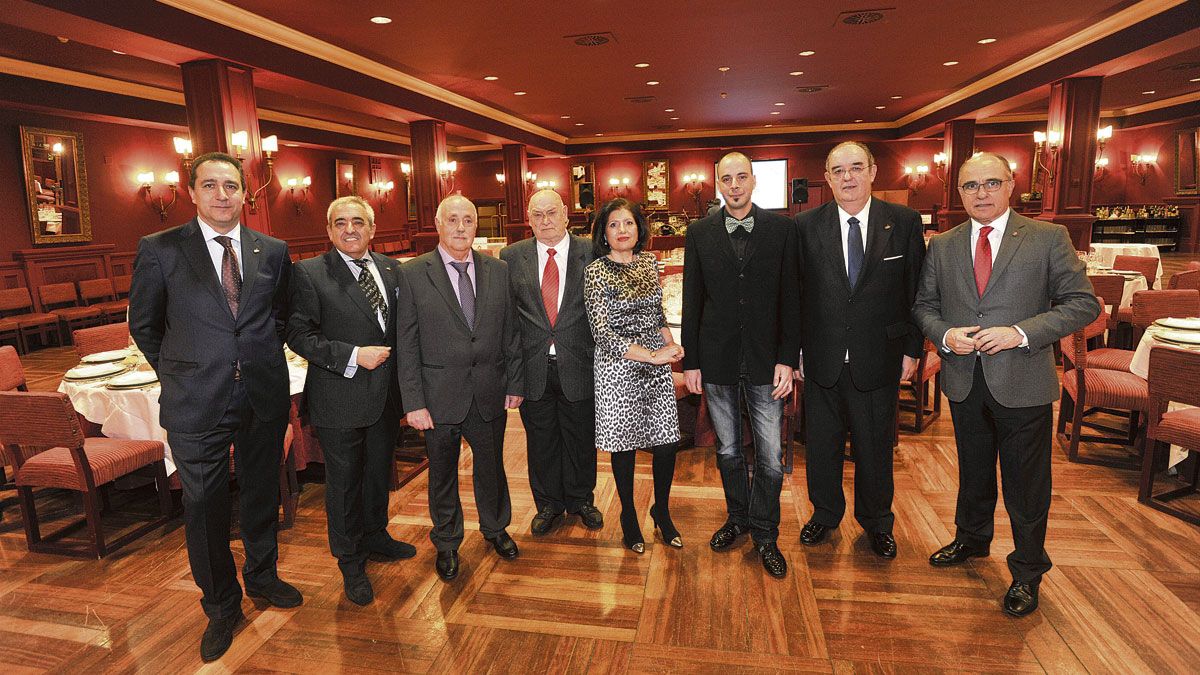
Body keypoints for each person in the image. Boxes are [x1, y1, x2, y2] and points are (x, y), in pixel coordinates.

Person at [128, 151, 300, 661]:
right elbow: (145, 326)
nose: (222, 194)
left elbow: (283, 317)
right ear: (191, 192)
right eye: (210, 185)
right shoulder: (160, 249)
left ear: (246, 192)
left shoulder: (272, 250)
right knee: (203, 507)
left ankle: (263, 576)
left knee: (260, 492)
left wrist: (256, 361)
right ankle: (221, 606)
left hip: (262, 395)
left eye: (231, 184)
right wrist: (185, 371)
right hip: (195, 400)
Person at [913, 152, 1099, 617]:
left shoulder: (1047, 237)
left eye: (991, 183)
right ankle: (972, 540)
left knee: (1026, 482)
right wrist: (943, 334)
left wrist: (1019, 333)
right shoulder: (944, 245)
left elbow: (1083, 305)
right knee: (974, 471)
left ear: (1011, 185)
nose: (981, 193)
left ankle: (1027, 571)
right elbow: (923, 306)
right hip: (963, 378)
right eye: (971, 186)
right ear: (958, 192)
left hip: (1022, 379)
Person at [794, 141, 926, 559]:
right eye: (838, 170)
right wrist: (793, 351)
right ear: (828, 178)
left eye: (856, 168)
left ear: (872, 172)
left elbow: (916, 292)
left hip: (879, 357)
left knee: (874, 449)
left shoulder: (903, 222)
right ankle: (825, 514)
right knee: (821, 446)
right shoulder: (804, 226)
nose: (847, 177)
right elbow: (795, 296)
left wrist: (912, 349)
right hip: (821, 357)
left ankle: (877, 523)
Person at [286, 196, 416, 607]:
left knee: (379, 473)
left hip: (386, 399)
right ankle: (350, 561)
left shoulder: (395, 271)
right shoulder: (308, 273)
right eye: (340, 222)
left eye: (358, 221)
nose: (350, 229)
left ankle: (376, 536)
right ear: (329, 231)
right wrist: (352, 355)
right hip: (339, 397)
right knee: (343, 486)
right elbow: (299, 335)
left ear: (372, 229)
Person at [681, 152, 800, 578]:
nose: (734, 185)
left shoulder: (782, 230)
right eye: (726, 179)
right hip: (716, 360)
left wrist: (789, 358)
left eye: (741, 177)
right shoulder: (699, 233)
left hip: (768, 361)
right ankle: (737, 519)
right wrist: (691, 362)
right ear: (717, 184)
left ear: (754, 182)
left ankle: (766, 534)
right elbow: (693, 300)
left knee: (769, 455)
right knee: (728, 450)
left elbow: (792, 300)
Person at [395, 194, 524, 582]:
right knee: (443, 476)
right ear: (438, 224)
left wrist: (514, 381)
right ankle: (448, 542)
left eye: (468, 220)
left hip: (488, 391)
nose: (461, 227)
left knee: (492, 469)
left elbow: (511, 332)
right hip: (437, 397)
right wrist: (414, 401)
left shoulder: (497, 270)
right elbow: (407, 342)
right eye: (453, 220)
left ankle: (496, 528)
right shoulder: (414, 273)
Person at [500, 189, 603, 536]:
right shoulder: (511, 257)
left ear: (565, 214)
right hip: (534, 367)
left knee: (580, 437)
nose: (545, 222)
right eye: (537, 215)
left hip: (581, 362)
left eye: (551, 213)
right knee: (541, 441)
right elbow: (508, 320)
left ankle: (581, 500)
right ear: (529, 219)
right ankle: (548, 505)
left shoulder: (591, 251)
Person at [583, 198, 683, 553]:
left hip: (655, 367)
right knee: (623, 447)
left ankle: (662, 510)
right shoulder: (596, 271)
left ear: (639, 228)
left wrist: (672, 345)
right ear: (603, 233)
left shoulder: (648, 263)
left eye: (627, 223)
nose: (622, 230)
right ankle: (628, 515)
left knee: (667, 442)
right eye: (613, 225)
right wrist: (653, 355)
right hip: (617, 368)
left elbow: (657, 313)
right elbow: (602, 333)